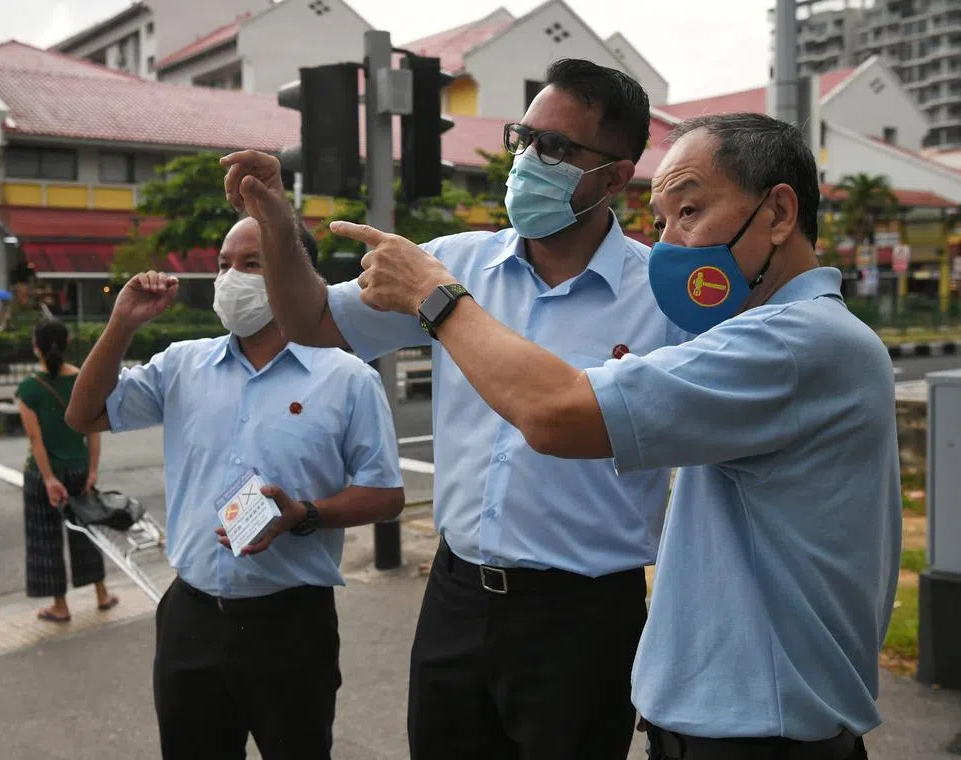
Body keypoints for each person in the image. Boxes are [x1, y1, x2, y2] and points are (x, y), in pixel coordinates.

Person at [299, 113, 900, 759]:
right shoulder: (776, 337)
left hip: (760, 732)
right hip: (718, 715)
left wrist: (435, 296)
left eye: (691, 210)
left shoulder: (797, 343)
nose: (671, 243)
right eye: (664, 219)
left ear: (778, 212)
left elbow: (557, 412)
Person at [222, 59, 686, 759]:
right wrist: (280, 227)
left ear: (617, 177)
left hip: (584, 617)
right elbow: (313, 321)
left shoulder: (662, 293)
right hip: (457, 598)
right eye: (524, 139)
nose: (529, 160)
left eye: (557, 148)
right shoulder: (452, 264)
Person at [65, 218, 405, 760]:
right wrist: (121, 325)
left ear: (299, 276)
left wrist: (303, 514)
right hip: (191, 618)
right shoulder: (183, 365)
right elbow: (84, 415)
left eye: (252, 263)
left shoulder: (346, 378)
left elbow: (386, 495)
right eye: (224, 264)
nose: (231, 277)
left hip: (291, 626)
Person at [14, 318, 118, 623]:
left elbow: (36, 440)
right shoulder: (84, 380)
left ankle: (60, 606)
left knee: (45, 540)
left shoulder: (29, 389)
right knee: (87, 533)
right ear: (67, 342)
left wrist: (48, 479)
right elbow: (94, 430)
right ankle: (101, 594)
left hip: (43, 476)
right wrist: (92, 470)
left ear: (36, 346)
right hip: (78, 471)